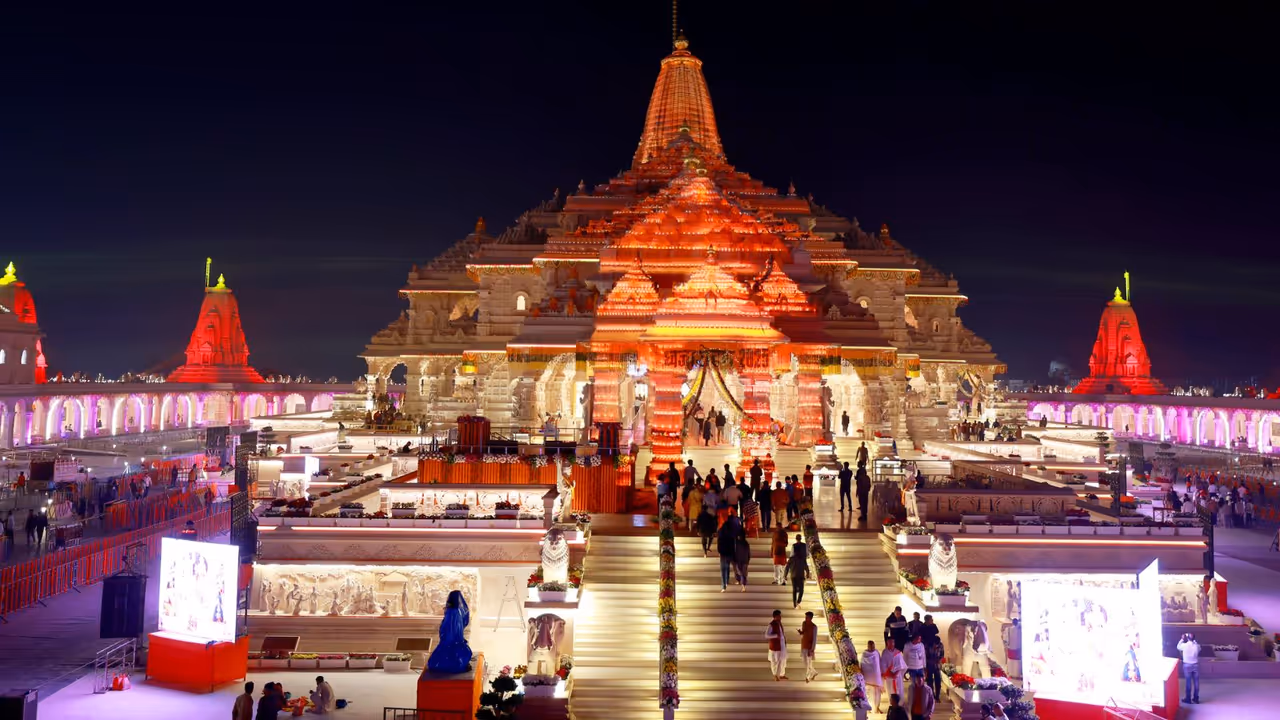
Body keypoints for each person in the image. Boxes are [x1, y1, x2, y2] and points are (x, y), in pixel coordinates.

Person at [718, 511, 743, 592]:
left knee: (723, 569)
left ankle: (724, 585)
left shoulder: (721, 530)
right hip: (731, 551)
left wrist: (719, 551)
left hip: (723, 552)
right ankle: (737, 579)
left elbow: (719, 541)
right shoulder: (733, 530)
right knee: (732, 566)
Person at [861, 641, 884, 712]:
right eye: (871, 646)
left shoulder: (876, 652)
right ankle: (869, 707)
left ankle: (877, 707)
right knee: (869, 693)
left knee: (877, 693)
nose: (872, 648)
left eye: (873, 646)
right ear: (868, 646)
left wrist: (881, 672)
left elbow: (879, 663)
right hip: (868, 677)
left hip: (876, 676)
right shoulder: (864, 654)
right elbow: (862, 665)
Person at [1177, 632, 1200, 704]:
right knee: (1196, 682)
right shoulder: (1197, 646)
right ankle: (1196, 698)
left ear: (1187, 638)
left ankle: (1188, 699)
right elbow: (1198, 646)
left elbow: (1178, 646)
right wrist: (1193, 640)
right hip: (1195, 665)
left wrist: (1182, 639)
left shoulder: (1184, 645)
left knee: (1188, 682)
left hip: (1187, 665)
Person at [766, 609, 788, 681]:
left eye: (780, 616)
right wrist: (775, 636)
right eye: (779, 616)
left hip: (782, 646)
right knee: (775, 661)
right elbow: (766, 635)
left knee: (783, 660)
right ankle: (775, 675)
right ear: (775, 616)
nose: (780, 617)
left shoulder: (779, 623)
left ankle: (782, 674)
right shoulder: (771, 625)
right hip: (775, 646)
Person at [786, 534, 807, 608]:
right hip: (797, 575)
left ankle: (796, 602)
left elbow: (787, 567)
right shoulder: (797, 558)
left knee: (797, 590)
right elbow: (787, 566)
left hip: (796, 575)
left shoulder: (794, 558)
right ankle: (797, 602)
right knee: (799, 589)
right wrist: (807, 573)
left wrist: (785, 576)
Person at [732, 518, 751, 592]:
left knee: (740, 571)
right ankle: (743, 583)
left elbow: (734, 551)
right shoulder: (745, 543)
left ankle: (742, 583)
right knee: (743, 572)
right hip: (744, 559)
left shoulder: (736, 543)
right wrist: (748, 559)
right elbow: (748, 552)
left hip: (738, 559)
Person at [799, 611, 818, 682]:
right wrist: (801, 632)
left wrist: (812, 649)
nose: (805, 618)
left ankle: (808, 677)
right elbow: (803, 633)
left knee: (808, 663)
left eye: (807, 617)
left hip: (809, 647)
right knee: (805, 662)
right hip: (803, 644)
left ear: (810, 618)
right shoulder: (804, 623)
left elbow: (814, 639)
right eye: (805, 617)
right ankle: (814, 672)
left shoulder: (814, 627)